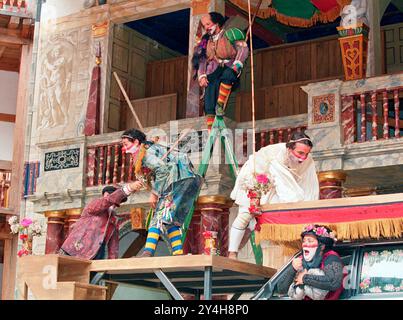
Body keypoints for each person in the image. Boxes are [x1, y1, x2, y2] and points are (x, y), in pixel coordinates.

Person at [228, 132, 319, 259]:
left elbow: (308, 185)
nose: (303, 158)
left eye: (306, 154)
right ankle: (232, 253)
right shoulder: (273, 153)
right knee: (245, 215)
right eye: (300, 153)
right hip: (257, 182)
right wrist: (255, 193)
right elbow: (255, 174)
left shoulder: (308, 161)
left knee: (270, 218)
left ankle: (252, 226)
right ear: (289, 148)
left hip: (279, 189)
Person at [121, 128, 202, 257]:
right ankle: (178, 252)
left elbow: (163, 170)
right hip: (190, 180)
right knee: (171, 219)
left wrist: (154, 193)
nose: (124, 148)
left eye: (126, 144)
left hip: (176, 179)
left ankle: (148, 251)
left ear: (136, 142)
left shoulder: (146, 154)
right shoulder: (152, 148)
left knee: (158, 217)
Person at [192, 12, 249, 131]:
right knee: (208, 100)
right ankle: (210, 131)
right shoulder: (205, 41)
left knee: (228, 75)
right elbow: (201, 60)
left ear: (216, 22)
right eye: (204, 25)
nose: (206, 27)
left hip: (229, 67)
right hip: (213, 70)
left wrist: (237, 64)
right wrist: (202, 75)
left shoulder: (230, 34)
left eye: (208, 23)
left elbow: (242, 49)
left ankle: (220, 105)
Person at [60, 181, 143, 260]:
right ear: (106, 194)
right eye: (118, 200)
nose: (118, 204)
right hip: (74, 252)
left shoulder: (113, 219)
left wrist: (113, 263)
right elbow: (107, 201)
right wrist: (129, 188)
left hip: (96, 256)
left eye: (120, 201)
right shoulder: (94, 205)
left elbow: (113, 246)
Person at [278, 224, 345, 300]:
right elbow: (281, 289)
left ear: (322, 246)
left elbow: (334, 282)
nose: (305, 244)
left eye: (310, 241)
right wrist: (292, 269)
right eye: (304, 241)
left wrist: (304, 278)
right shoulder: (300, 260)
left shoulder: (331, 257)